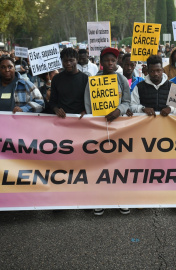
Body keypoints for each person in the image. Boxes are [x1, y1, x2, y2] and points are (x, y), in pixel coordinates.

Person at [84, 47, 131, 215]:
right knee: (100, 165)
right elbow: (88, 104)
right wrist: (95, 121)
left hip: (119, 128)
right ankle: (100, 199)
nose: (110, 63)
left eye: (113, 61)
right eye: (106, 61)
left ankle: (120, 200)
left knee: (119, 165)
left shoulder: (122, 79)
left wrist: (120, 110)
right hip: (99, 129)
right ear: (101, 63)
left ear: (117, 62)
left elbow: (127, 101)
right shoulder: (93, 80)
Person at [49, 48, 88, 118]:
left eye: (71, 60)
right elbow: (52, 101)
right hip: (62, 120)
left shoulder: (86, 79)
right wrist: (56, 110)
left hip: (80, 120)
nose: (68, 63)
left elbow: (89, 101)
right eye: (65, 61)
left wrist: (85, 111)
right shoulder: (56, 79)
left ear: (77, 60)